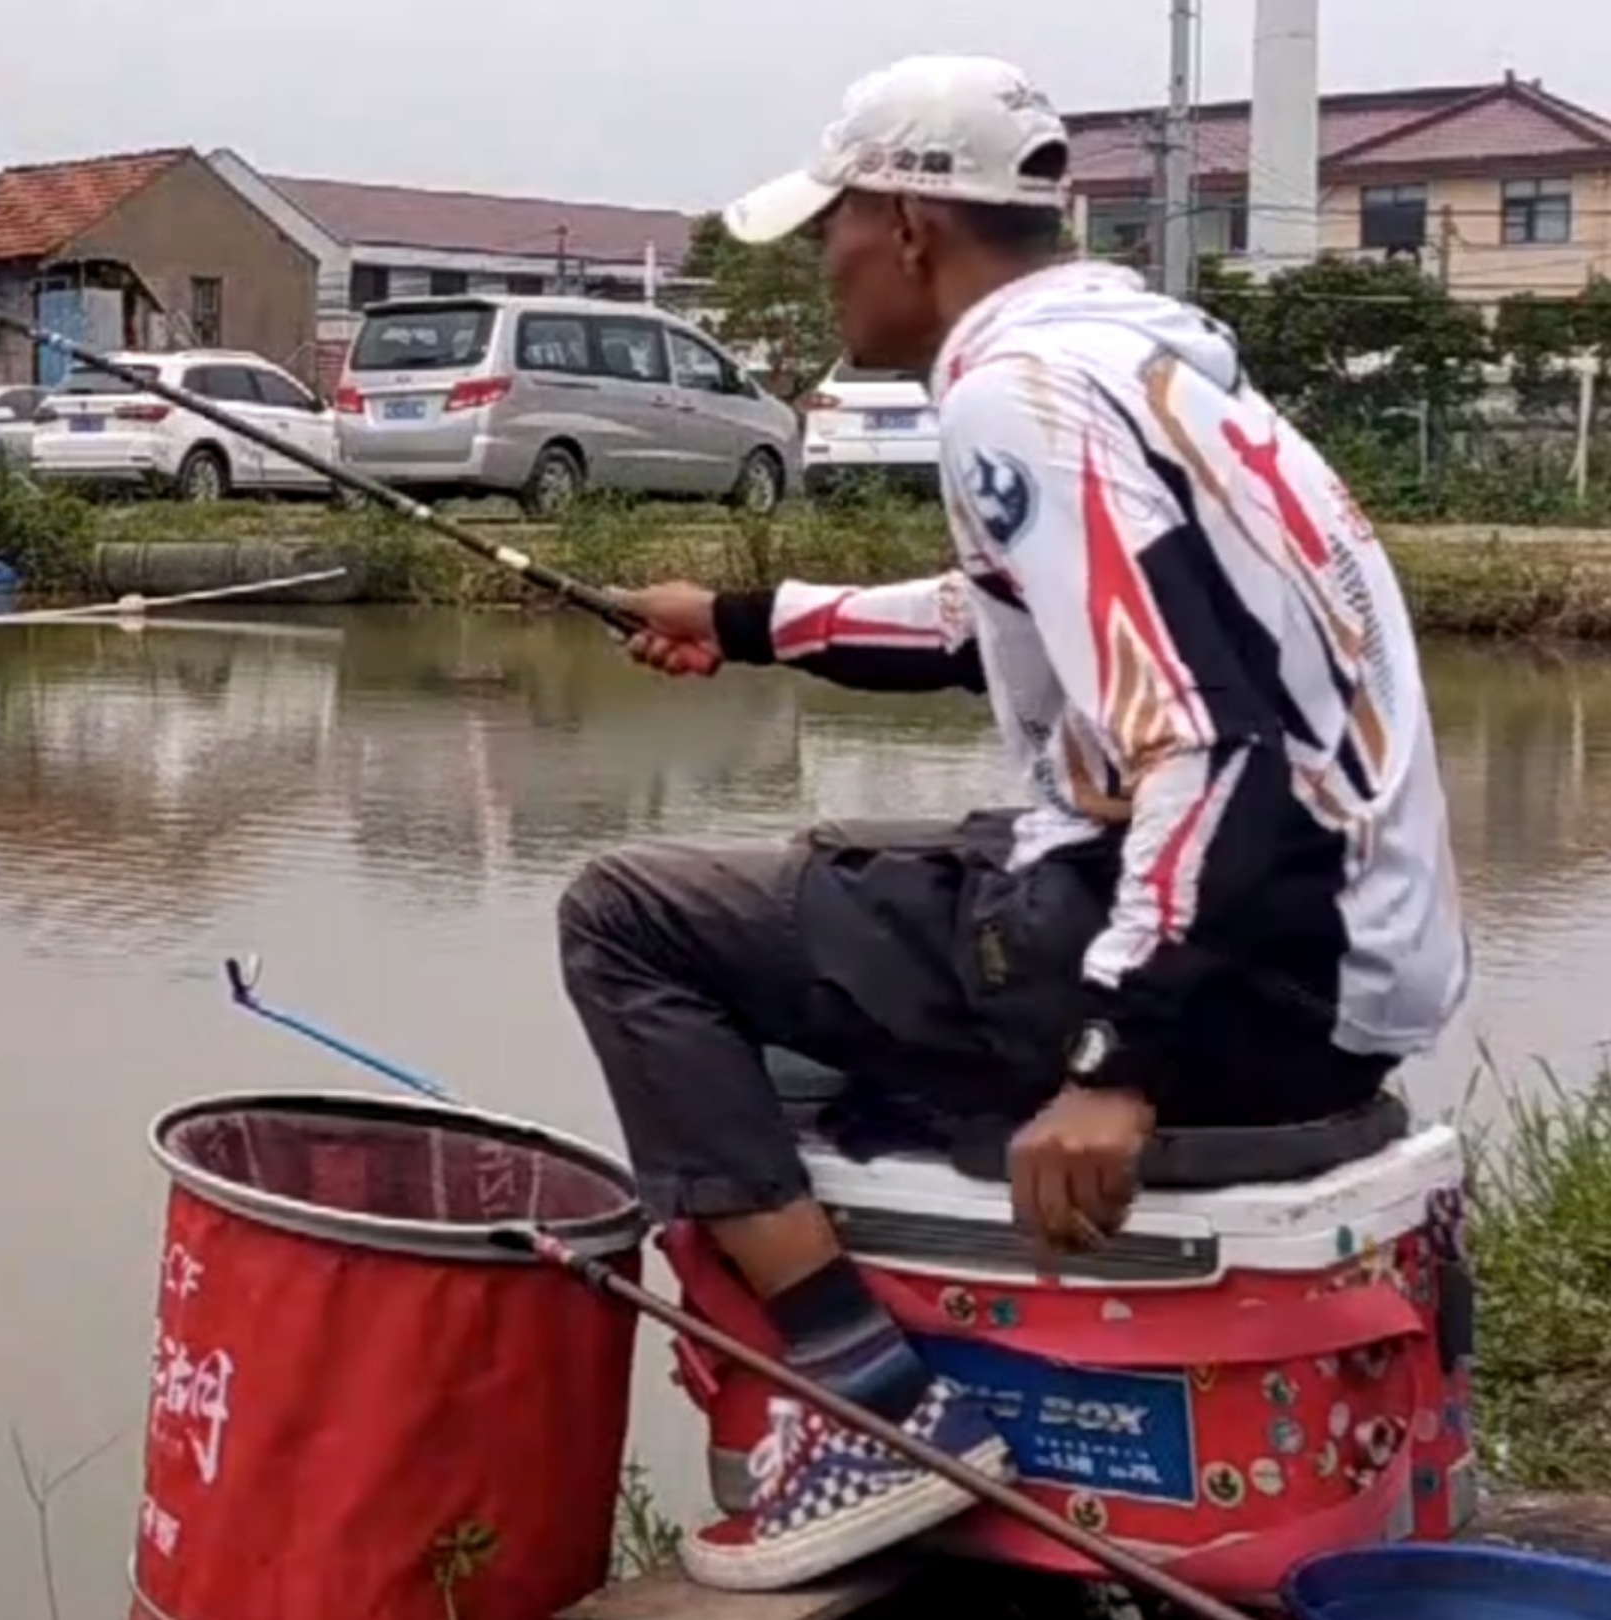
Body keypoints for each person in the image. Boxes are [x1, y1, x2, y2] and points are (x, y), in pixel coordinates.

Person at [556, 55, 1468, 1592]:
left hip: (1235, 977)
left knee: (632, 919)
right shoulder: (1143, 366)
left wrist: (1125, 1063)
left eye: (834, 225)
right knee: (862, 886)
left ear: (907, 223)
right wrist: (740, 617)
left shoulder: (1012, 391)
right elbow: (1009, 627)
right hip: (1340, 969)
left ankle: (867, 1399)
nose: (825, 262)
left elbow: (1212, 733)